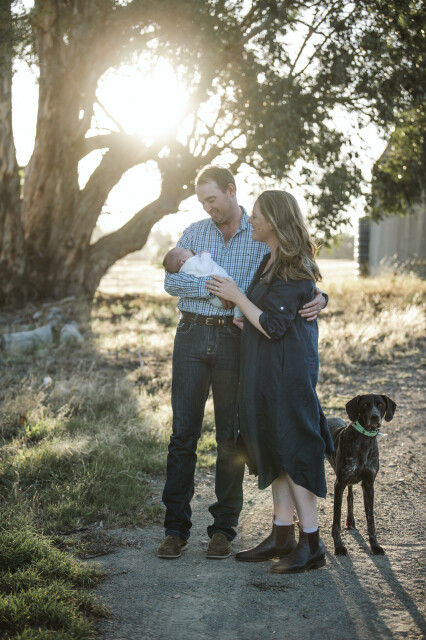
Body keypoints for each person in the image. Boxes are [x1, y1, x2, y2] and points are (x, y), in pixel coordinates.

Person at [157, 166, 327, 561]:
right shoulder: (194, 233)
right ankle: (175, 529)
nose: (208, 207)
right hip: (192, 333)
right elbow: (171, 281)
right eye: (202, 201)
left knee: (230, 437)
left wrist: (321, 297)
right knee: (183, 435)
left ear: (231, 191)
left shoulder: (258, 233)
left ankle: (223, 529)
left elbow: (289, 278)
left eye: (212, 199)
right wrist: (218, 290)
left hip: (237, 341)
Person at [206, 189, 334, 573]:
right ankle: (281, 534)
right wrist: (242, 312)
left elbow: (275, 326)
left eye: (258, 216)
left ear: (276, 223)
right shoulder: (270, 259)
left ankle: (311, 543)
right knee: (274, 449)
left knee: (293, 450)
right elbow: (266, 313)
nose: (251, 220)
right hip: (264, 370)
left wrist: (236, 296)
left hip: (286, 375)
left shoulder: (295, 267)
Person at [163, 247, 243, 318]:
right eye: (185, 250)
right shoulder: (190, 264)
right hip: (218, 298)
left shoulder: (189, 266)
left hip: (217, 298)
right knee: (240, 294)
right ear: (183, 261)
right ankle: (238, 317)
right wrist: (205, 255)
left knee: (238, 297)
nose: (188, 249)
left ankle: (238, 316)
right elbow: (205, 269)